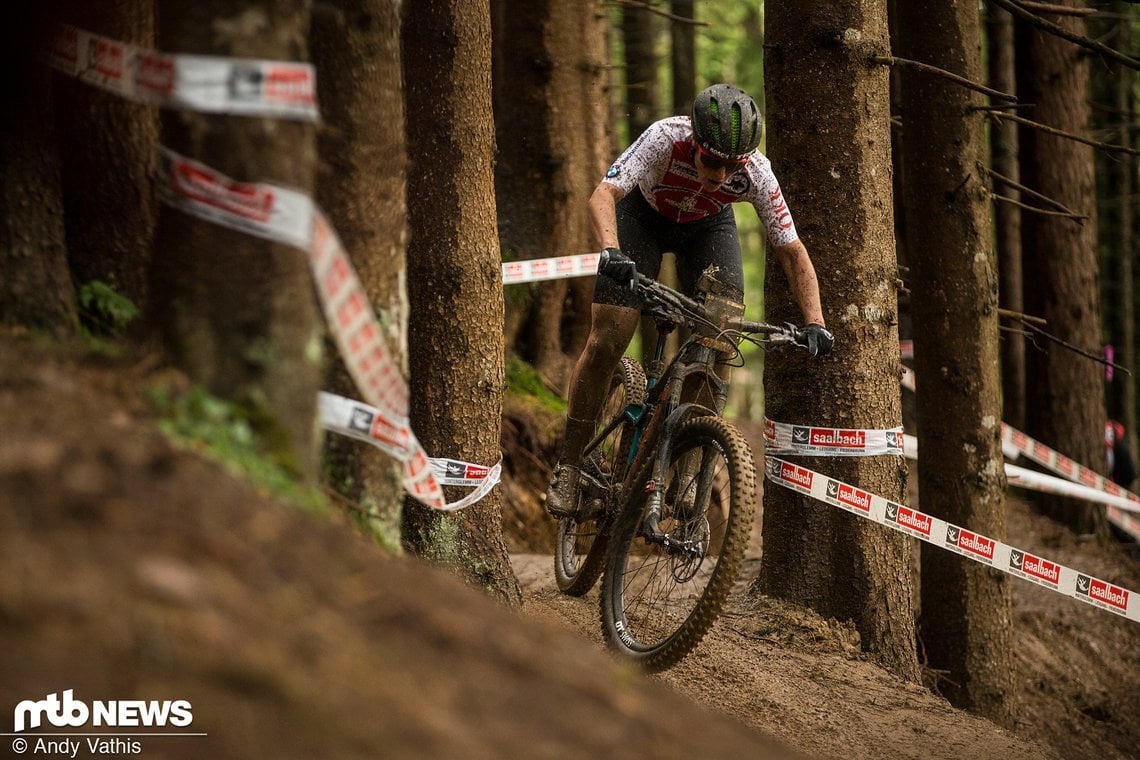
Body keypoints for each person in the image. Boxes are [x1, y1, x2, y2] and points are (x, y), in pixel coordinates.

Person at [545, 82, 834, 518]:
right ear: (695, 142)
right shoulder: (665, 137)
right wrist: (611, 251)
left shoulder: (757, 171)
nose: (719, 175)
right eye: (710, 162)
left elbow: (791, 250)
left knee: (722, 332)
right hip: (642, 218)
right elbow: (603, 194)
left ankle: (684, 462)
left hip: (706, 228)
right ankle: (570, 463)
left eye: (730, 166)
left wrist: (815, 320)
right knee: (609, 337)